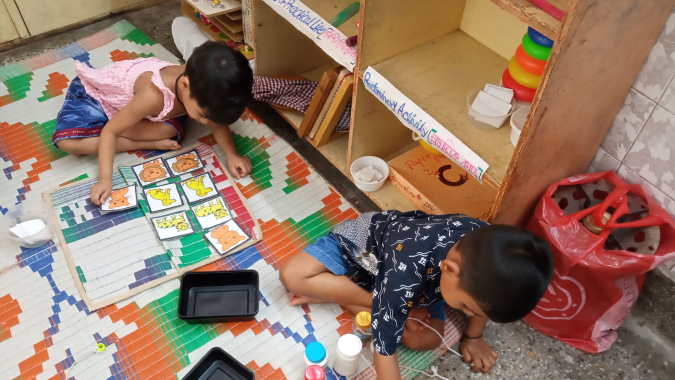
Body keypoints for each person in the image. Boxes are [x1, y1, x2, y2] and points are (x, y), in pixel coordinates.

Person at [280, 210, 554, 378]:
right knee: (292, 276)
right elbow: (384, 350)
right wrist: (402, 309)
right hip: (361, 252)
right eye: (466, 308)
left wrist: (475, 336)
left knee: (426, 340)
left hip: (417, 289)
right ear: (450, 268)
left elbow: (484, 301)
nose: (468, 315)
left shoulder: (483, 243)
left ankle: (346, 294)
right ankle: (366, 301)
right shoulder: (408, 269)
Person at [52, 41, 254, 205]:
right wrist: (105, 179)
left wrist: (232, 154)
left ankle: (130, 127)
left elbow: (218, 123)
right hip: (97, 97)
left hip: (138, 111)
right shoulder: (153, 96)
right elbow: (111, 133)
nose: (205, 122)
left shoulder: (199, 80)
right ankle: (142, 143)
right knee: (69, 144)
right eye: (202, 115)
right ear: (184, 85)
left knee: (168, 130)